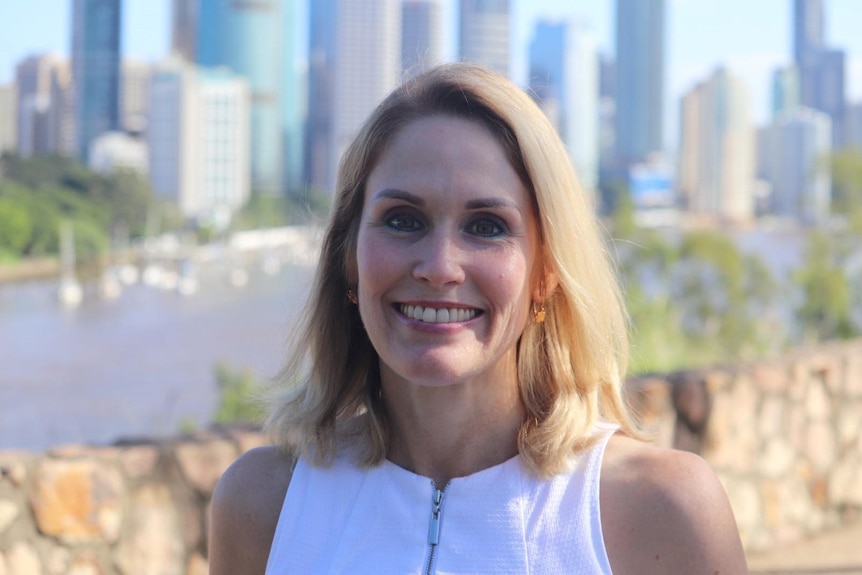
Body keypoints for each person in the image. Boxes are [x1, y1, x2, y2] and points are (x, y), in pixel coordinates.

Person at [209, 62, 748, 574]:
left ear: (546, 273)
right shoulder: (263, 505)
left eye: (487, 226)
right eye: (402, 220)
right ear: (348, 261)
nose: (440, 267)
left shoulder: (663, 508)